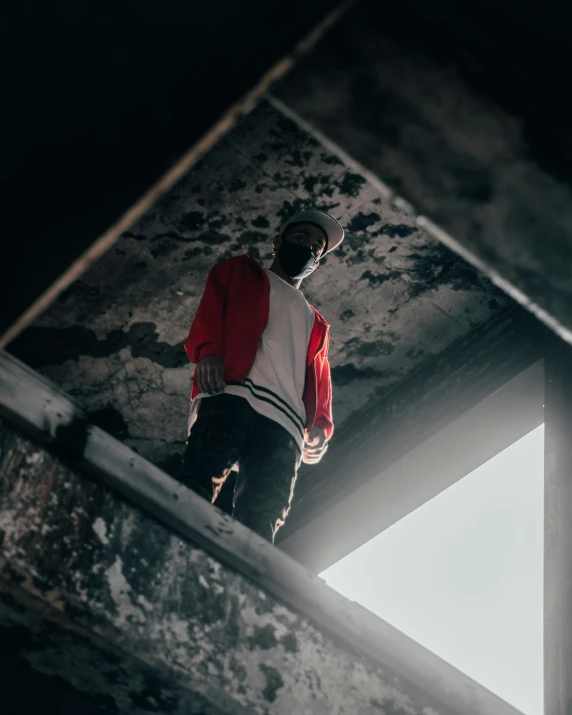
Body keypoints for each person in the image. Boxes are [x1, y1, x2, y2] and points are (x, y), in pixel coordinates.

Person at [179, 208, 345, 542]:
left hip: (285, 420)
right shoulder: (241, 271)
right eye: (301, 239)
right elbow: (212, 310)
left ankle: (243, 577)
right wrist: (209, 351)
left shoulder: (317, 322)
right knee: (199, 478)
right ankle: (174, 541)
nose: (309, 249)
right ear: (277, 242)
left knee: (264, 512)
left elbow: (320, 377)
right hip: (232, 392)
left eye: (317, 248)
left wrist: (320, 425)